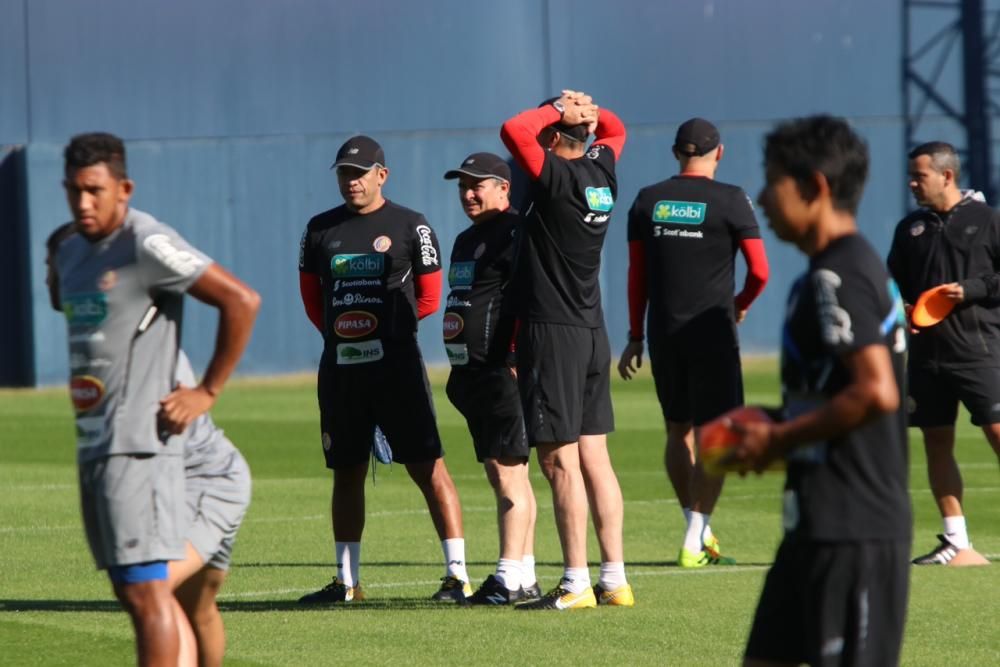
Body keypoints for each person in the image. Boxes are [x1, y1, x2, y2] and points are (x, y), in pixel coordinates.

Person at [52, 132, 260, 667]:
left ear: (124, 188)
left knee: (148, 594)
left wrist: (206, 391)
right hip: (98, 448)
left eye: (94, 190)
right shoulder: (73, 251)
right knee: (155, 597)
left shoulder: (145, 240)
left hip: (148, 452)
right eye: (72, 191)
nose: (82, 203)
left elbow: (241, 299)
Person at [734, 115, 911, 666]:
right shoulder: (821, 275)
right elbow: (831, 393)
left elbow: (876, 391)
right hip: (814, 525)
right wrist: (764, 422)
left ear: (815, 186)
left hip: (855, 530)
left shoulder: (841, 273)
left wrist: (780, 440)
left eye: (772, 180)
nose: (761, 196)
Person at [298, 135, 471, 604]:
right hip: (342, 371)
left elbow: (430, 298)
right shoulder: (319, 229)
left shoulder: (410, 225)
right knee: (347, 471)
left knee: (428, 467)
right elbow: (314, 301)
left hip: (396, 370)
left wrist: (387, 335)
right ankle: (346, 581)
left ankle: (457, 577)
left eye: (359, 173)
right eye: (343, 174)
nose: (351, 182)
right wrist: (345, 338)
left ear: (381, 175)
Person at [500, 90, 633, 609]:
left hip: (552, 332)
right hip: (593, 331)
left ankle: (576, 581)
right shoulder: (603, 171)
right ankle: (615, 579)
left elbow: (513, 127)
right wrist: (593, 107)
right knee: (594, 456)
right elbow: (618, 130)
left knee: (559, 462)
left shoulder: (552, 178)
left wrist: (559, 108)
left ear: (554, 137)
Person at [617, 118, 769, 568]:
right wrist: (740, 303)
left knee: (677, 431)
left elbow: (636, 276)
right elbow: (760, 272)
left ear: (675, 152)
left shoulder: (648, 199)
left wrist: (634, 335)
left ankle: (696, 527)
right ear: (719, 153)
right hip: (713, 335)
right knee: (717, 438)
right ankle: (693, 536)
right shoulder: (731, 199)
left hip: (665, 335)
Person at [887, 141, 998, 566]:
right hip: (927, 356)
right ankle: (956, 540)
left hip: (979, 351)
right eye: (911, 176)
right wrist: (904, 307)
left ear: (947, 176)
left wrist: (971, 289)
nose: (913, 184)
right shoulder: (910, 228)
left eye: (920, 176)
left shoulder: (988, 220)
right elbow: (892, 280)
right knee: (936, 441)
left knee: (997, 434)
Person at [441, 152, 541, 605]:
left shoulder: (517, 231)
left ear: (503, 187)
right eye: (463, 185)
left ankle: (507, 578)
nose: (468, 193)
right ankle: (525, 574)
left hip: (503, 369)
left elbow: (527, 297)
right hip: (471, 373)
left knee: (510, 474)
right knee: (501, 473)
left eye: (477, 184)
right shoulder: (465, 239)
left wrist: (517, 354)